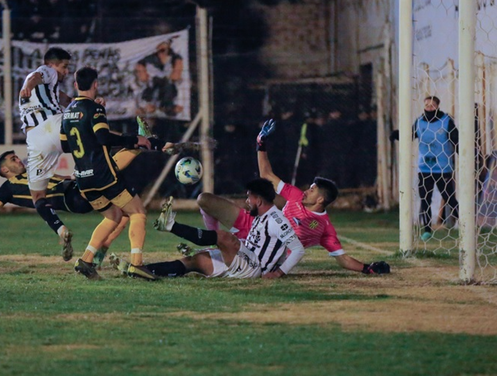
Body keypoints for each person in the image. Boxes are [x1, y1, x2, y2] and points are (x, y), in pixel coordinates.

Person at [244, 118, 390, 274]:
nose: (306, 191)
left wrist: (368, 268)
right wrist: (261, 144)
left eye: (312, 190)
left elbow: (342, 258)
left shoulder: (324, 227)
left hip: (267, 253)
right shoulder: (296, 195)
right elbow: (266, 175)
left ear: (320, 199)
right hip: (254, 231)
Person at [60, 66, 156, 280]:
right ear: (96, 84)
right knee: (138, 212)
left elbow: (65, 147)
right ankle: (137, 264)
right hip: (104, 175)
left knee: (113, 216)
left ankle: (85, 260)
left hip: (83, 178)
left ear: (75, 85)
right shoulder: (95, 109)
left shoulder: (67, 113)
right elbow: (103, 137)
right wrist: (134, 139)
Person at [0, 149, 134, 257]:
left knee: (124, 213)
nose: (18, 159)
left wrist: (75, 176)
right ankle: (140, 145)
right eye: (13, 159)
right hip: (70, 196)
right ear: (5, 169)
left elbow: (63, 177)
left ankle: (97, 255)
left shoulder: (36, 172)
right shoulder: (7, 188)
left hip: (75, 192)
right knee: (102, 168)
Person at [118, 178, 304, 280]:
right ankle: (143, 271)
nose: (247, 202)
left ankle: (171, 226)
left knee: (224, 237)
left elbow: (297, 249)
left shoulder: (276, 220)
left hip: (254, 268)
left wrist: (278, 273)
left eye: (249, 198)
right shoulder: (260, 216)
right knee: (195, 260)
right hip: (244, 261)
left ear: (260, 200)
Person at [19, 47, 75, 259]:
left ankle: (61, 230)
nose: (66, 72)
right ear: (53, 64)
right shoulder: (46, 71)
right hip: (52, 127)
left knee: (38, 197)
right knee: (94, 139)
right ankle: (136, 141)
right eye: (65, 66)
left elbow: (58, 95)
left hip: (36, 140)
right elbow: (37, 75)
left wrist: (73, 102)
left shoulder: (45, 88)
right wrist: (27, 85)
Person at [393, 96, 459, 241]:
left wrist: (465, 154)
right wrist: (397, 134)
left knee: (449, 198)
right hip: (425, 168)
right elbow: (409, 135)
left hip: (443, 167)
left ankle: (465, 224)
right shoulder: (420, 121)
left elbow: (456, 139)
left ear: (438, 106)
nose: (429, 107)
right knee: (425, 199)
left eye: (432, 105)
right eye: (427, 104)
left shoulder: (446, 121)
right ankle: (427, 230)